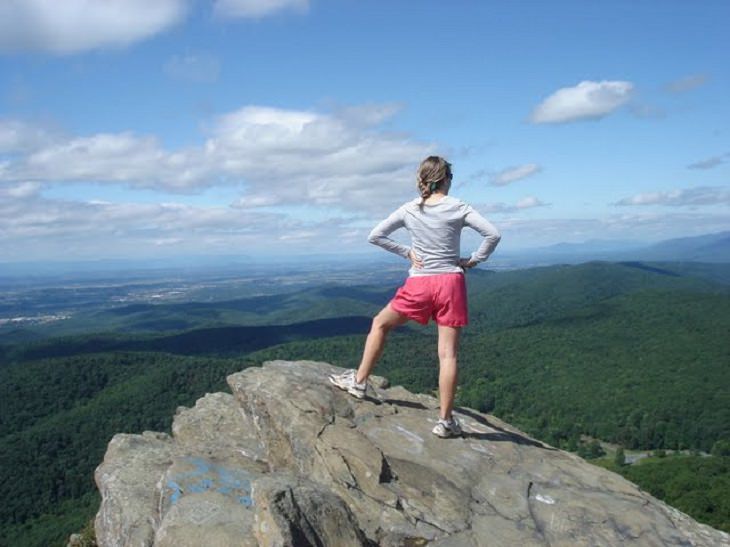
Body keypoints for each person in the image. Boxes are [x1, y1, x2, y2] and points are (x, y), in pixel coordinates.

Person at [329, 155, 501, 438]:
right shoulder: (459, 207)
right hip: (451, 283)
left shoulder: (410, 209)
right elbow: (493, 234)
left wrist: (407, 252)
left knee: (380, 324)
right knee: (448, 354)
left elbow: (376, 235)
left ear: (423, 180)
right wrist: (472, 260)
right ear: (446, 179)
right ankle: (445, 422)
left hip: (419, 283)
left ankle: (359, 382)